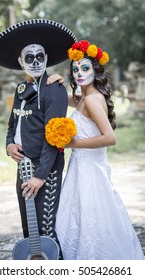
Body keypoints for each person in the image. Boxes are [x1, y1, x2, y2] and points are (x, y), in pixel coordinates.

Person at [0, 19, 77, 255]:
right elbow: (11, 125)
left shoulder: (54, 88)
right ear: (20, 62)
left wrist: (40, 177)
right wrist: (8, 145)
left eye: (40, 56)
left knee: (46, 230)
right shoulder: (20, 91)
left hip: (45, 168)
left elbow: (54, 138)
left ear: (46, 58)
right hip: (23, 166)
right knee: (29, 228)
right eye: (29, 57)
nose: (36, 62)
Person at [51, 40, 145, 259]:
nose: (79, 73)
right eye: (75, 69)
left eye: (85, 68)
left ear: (96, 70)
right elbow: (62, 99)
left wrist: (72, 144)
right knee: (83, 216)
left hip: (89, 169)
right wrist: (55, 83)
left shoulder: (92, 100)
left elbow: (110, 138)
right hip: (83, 166)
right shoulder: (85, 97)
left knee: (91, 218)